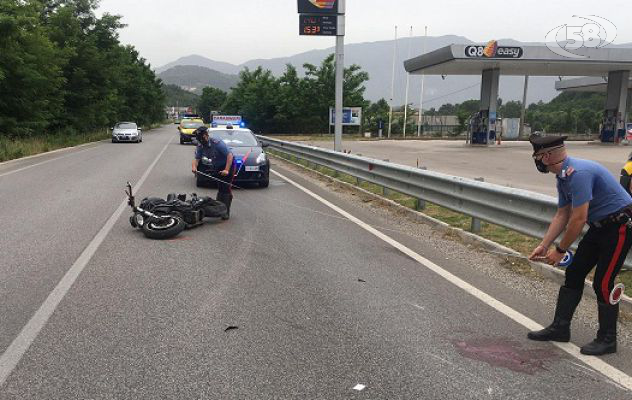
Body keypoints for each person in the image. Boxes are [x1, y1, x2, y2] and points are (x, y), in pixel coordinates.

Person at [526, 134, 632, 356]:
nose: (536, 160)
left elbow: (578, 218)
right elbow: (562, 214)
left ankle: (607, 339)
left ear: (546, 156)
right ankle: (560, 328)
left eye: (537, 156)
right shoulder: (564, 176)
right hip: (600, 227)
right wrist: (545, 246)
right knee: (574, 273)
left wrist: (561, 250)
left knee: (603, 283)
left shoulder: (579, 174)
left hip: (619, 227)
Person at [192, 126, 235, 220]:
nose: (201, 141)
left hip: (228, 164)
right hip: (217, 165)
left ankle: (226, 211)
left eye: (202, 138)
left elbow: (229, 155)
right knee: (220, 187)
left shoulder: (217, 143)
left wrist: (227, 170)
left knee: (226, 187)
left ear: (206, 135)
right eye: (199, 139)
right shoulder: (200, 145)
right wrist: (194, 167)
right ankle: (220, 209)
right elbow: (196, 159)